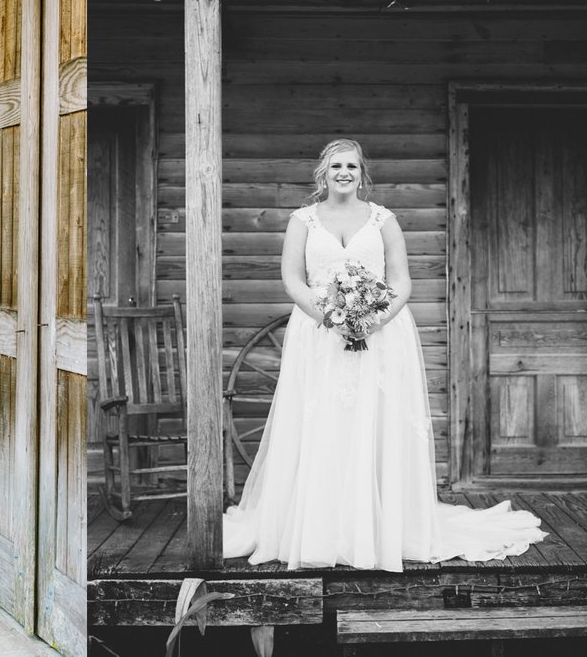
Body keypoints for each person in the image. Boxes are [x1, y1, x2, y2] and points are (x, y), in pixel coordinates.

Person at [223, 139, 545, 572]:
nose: (344, 173)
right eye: (336, 165)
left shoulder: (382, 220)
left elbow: (402, 281)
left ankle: (377, 527)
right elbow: (292, 279)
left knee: (372, 422)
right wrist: (329, 317)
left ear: (361, 172)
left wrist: (373, 320)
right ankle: (319, 527)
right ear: (323, 172)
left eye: (351, 166)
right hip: (319, 336)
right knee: (321, 424)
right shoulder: (302, 220)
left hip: (379, 336)